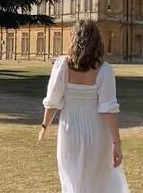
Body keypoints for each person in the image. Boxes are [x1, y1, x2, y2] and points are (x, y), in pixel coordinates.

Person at [38, 20, 129, 193]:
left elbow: (53, 100)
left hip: (69, 132)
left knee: (73, 182)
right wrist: (117, 143)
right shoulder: (104, 70)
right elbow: (108, 110)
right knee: (98, 182)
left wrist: (44, 125)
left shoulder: (62, 66)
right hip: (97, 133)